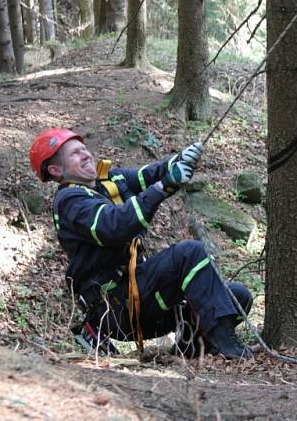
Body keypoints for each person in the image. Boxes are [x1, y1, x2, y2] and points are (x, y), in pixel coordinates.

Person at [29, 128, 254, 359]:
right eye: (75, 154)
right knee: (190, 253)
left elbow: (150, 174)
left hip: (143, 299)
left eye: (84, 149)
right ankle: (230, 348)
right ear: (56, 170)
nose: (86, 155)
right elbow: (114, 226)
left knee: (238, 296)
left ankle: (189, 351)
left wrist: (180, 160)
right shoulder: (69, 201)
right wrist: (163, 187)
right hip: (117, 308)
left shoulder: (109, 180)